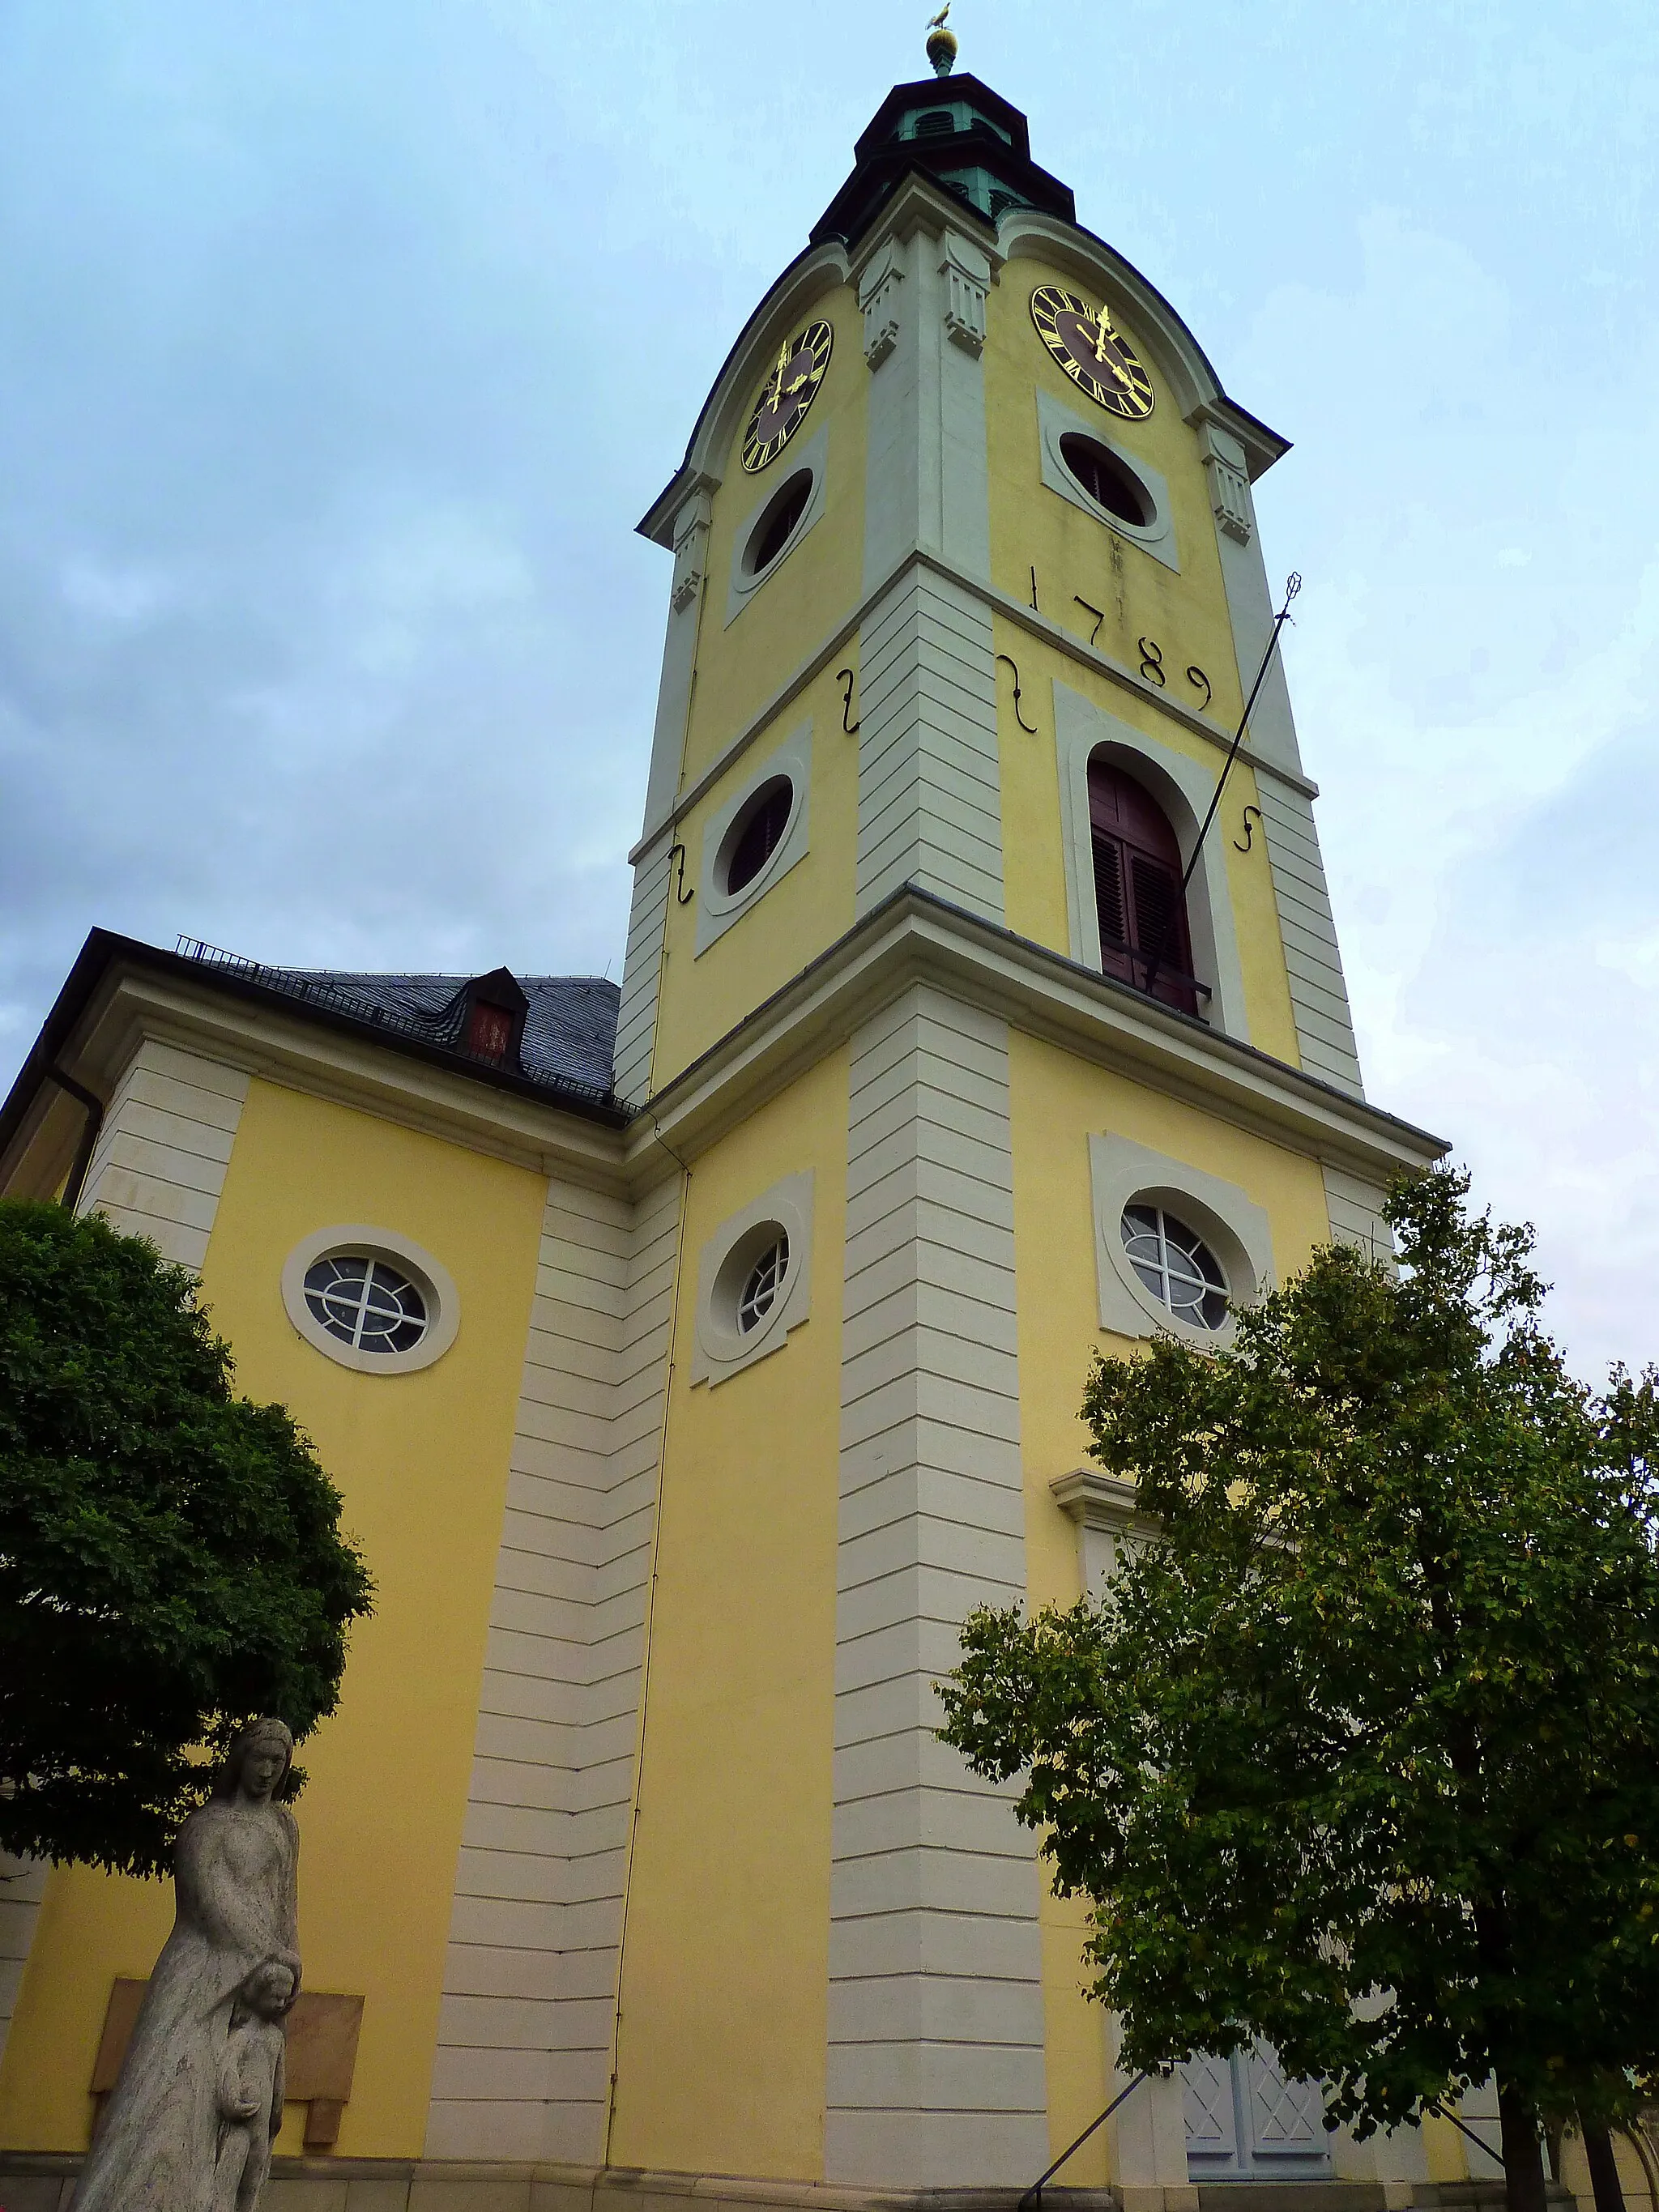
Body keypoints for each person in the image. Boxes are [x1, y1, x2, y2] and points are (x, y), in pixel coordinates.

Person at [75, 1719, 301, 2212]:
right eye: (258, 1758)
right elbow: (210, 1903)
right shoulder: (206, 1826)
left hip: (262, 1981)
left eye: (276, 1762)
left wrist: (288, 1968)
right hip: (201, 1972)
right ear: (240, 1760)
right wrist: (270, 1955)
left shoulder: (284, 1827)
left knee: (241, 2116)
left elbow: (285, 1907)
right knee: (163, 2089)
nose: (266, 1771)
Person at [211, 1960, 293, 2212]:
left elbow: (279, 2079)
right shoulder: (243, 2035)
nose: (280, 2004)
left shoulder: (276, 2037)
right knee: (228, 2175)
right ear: (257, 1995)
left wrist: (277, 2114)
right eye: (275, 1997)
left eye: (284, 1999)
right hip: (243, 2121)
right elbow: (227, 2067)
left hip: (264, 2123)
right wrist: (232, 2101)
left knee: (254, 2178)